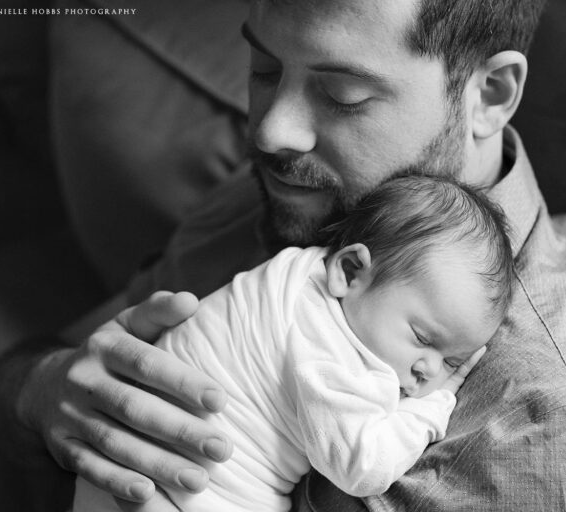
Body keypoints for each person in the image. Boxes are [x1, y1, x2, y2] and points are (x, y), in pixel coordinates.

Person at [0, 0, 566, 510]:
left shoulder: (557, 439)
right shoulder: (305, 200)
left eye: (343, 95)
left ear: (488, 94)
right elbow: (37, 378)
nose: (271, 129)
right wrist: (38, 392)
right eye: (262, 67)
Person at [74, 175, 513, 511]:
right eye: (422, 338)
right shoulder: (331, 354)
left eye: (450, 360)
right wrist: (433, 407)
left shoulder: (296, 271)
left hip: (117, 457)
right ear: (350, 272)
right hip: (184, 495)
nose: (429, 371)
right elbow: (363, 469)